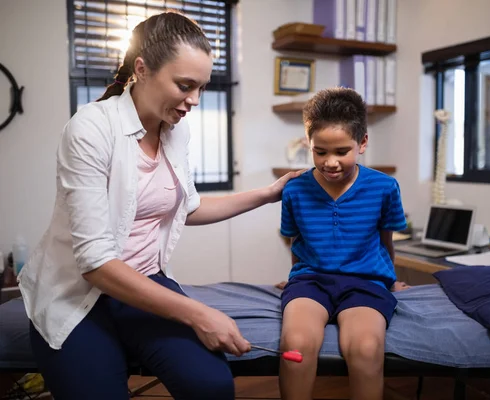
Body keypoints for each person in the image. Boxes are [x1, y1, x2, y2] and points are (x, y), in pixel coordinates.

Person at [18, 11, 301, 400]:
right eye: (185, 85)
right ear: (143, 68)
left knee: (213, 385)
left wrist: (269, 193)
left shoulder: (176, 131)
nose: (195, 101)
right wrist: (200, 312)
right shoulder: (91, 129)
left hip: (145, 283)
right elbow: (97, 263)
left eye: (202, 88)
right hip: (78, 293)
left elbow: (187, 208)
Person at [278, 87, 407, 400]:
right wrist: (295, 282)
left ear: (362, 143)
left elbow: (385, 242)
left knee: (365, 348)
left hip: (365, 282)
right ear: (309, 144)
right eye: (320, 152)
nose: (330, 162)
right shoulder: (295, 189)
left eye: (341, 152)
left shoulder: (385, 187)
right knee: (296, 346)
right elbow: (296, 242)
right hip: (311, 281)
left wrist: (390, 279)